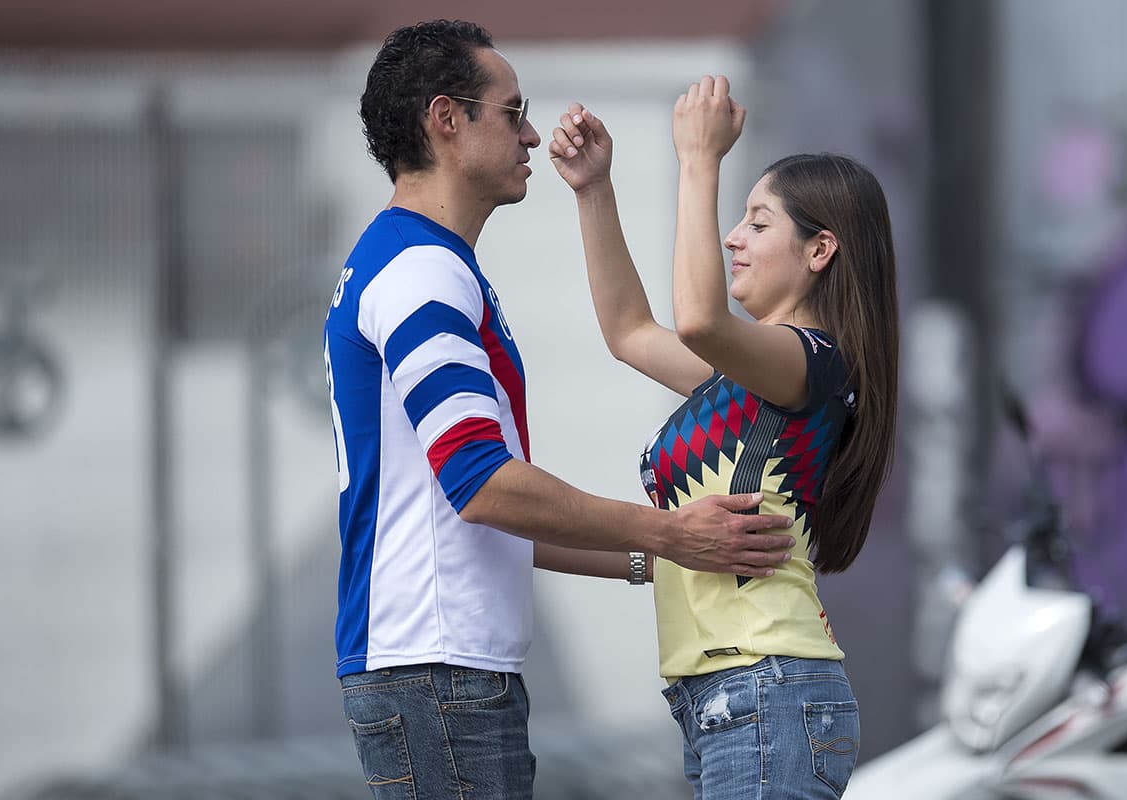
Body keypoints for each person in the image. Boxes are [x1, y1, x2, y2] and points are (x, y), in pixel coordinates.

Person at [324, 24, 799, 800]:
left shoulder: (415, 263)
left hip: (438, 669)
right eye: (512, 113)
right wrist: (672, 531)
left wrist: (667, 556)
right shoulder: (420, 272)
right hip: (437, 670)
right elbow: (483, 486)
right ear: (446, 120)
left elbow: (480, 512)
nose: (532, 134)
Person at [548, 75, 899, 799]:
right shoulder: (740, 383)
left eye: (758, 222)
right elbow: (630, 332)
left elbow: (700, 319)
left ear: (820, 249)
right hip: (727, 698)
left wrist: (699, 160)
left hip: (765, 687)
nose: (734, 238)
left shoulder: (813, 361)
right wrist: (593, 190)